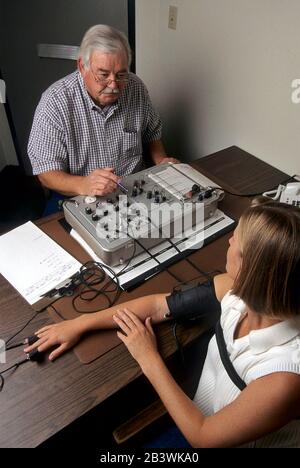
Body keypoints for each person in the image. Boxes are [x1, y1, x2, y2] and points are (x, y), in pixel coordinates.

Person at [24, 199, 300, 448]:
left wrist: (149, 358)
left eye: (235, 239)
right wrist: (82, 323)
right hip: (200, 411)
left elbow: (203, 436)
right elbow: (160, 306)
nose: (229, 240)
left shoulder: (283, 378)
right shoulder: (239, 289)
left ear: (251, 270)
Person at [28, 24, 178, 201]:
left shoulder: (135, 87)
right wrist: (84, 184)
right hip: (82, 195)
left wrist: (161, 162)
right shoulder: (54, 102)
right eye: (103, 75)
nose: (113, 85)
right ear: (82, 66)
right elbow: (46, 173)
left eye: (121, 75)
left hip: (134, 188)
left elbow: (152, 134)